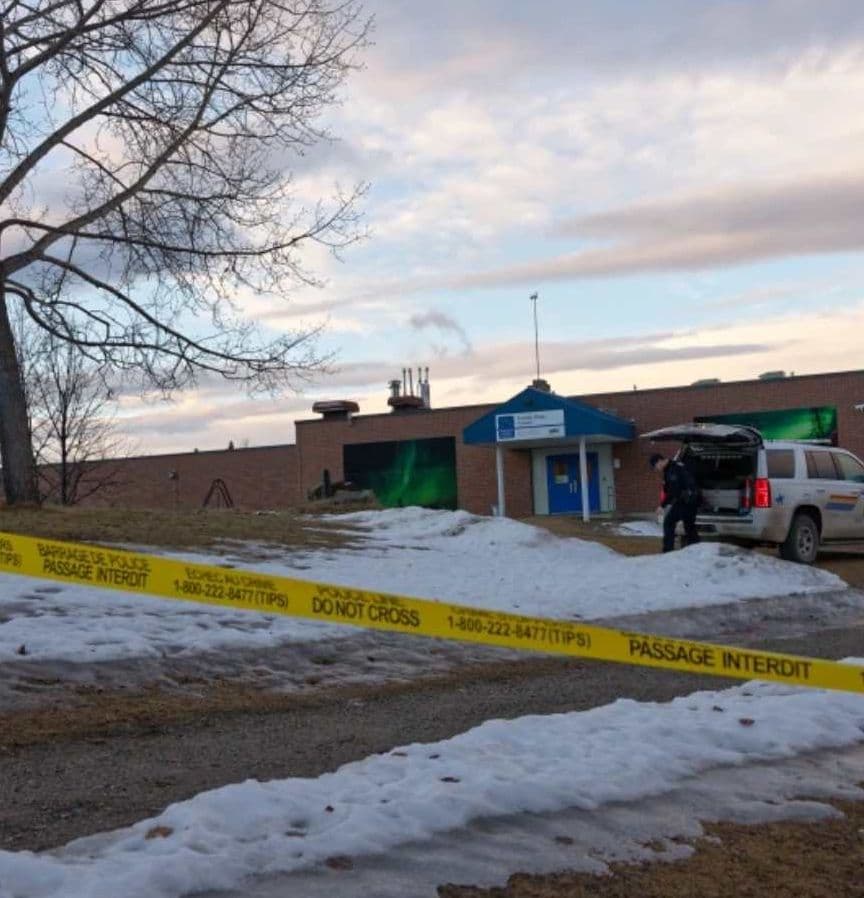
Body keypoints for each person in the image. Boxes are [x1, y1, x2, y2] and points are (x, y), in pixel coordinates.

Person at [649, 453, 700, 553]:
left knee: (670, 523)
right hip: (686, 501)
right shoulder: (669, 470)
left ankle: (668, 551)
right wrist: (662, 505)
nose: (656, 469)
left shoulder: (674, 469)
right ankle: (695, 549)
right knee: (689, 526)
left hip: (687, 501)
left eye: (655, 466)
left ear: (659, 461)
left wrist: (662, 506)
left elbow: (673, 491)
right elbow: (670, 491)